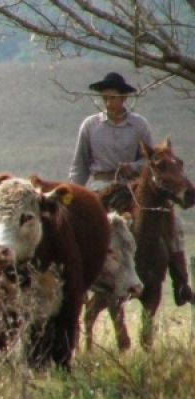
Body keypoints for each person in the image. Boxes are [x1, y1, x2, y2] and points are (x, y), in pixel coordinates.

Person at [70, 71, 192, 305]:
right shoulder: (90, 126)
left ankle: (181, 283)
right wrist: (77, 195)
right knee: (81, 228)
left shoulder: (139, 124)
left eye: (113, 97)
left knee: (173, 224)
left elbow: (153, 160)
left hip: (134, 187)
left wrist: (134, 166)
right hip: (101, 185)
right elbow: (79, 166)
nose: (109, 102)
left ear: (124, 98)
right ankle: (80, 280)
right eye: (105, 98)